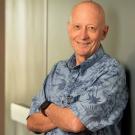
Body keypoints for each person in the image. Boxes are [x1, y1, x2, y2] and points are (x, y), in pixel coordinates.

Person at [27, 0, 128, 135]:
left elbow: (75, 123)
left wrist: (46, 106)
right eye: (77, 27)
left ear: (104, 32)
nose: (83, 36)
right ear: (69, 28)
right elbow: (32, 121)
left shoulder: (112, 72)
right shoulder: (58, 69)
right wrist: (65, 115)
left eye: (91, 28)